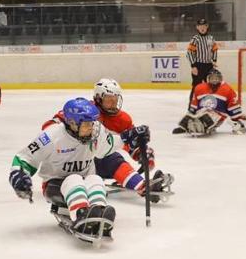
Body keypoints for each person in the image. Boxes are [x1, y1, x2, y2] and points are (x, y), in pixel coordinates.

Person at [9, 98, 148, 244]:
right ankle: (81, 216)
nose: (91, 127)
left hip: (85, 181)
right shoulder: (51, 136)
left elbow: (107, 147)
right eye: (87, 124)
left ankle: (99, 212)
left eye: (92, 123)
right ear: (73, 123)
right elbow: (25, 157)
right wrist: (19, 174)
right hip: (54, 184)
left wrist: (128, 137)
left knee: (96, 179)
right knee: (73, 179)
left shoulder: (95, 131)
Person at [42, 78, 172, 199]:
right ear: (98, 99)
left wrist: (142, 153)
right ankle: (142, 186)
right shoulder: (82, 110)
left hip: (95, 167)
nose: (113, 104)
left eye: (115, 100)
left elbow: (128, 142)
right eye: (109, 100)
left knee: (108, 155)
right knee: (108, 156)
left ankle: (140, 184)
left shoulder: (122, 119)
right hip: (71, 164)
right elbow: (48, 128)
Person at [173, 69, 246, 136]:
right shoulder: (199, 88)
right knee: (188, 117)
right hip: (201, 112)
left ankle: (202, 126)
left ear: (220, 79)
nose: (214, 80)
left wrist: (237, 121)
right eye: (212, 78)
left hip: (218, 115)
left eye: (217, 78)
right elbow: (194, 104)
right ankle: (185, 127)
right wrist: (190, 115)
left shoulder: (227, 89)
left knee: (206, 118)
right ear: (208, 79)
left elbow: (232, 105)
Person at [183, 17, 218, 109]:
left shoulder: (211, 38)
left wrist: (214, 61)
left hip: (209, 66)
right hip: (198, 66)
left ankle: (209, 106)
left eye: (204, 25)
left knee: (211, 86)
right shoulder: (195, 39)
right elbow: (189, 53)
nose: (202, 28)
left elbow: (214, 50)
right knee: (196, 87)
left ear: (207, 27)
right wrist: (193, 66)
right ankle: (192, 106)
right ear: (197, 27)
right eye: (200, 26)